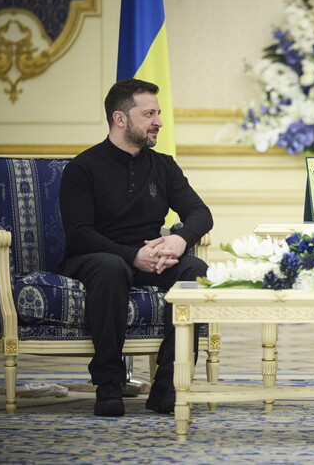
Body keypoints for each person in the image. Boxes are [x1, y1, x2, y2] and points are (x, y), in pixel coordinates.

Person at [59, 78, 213, 417]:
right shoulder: (82, 168)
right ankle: (108, 384)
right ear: (120, 118)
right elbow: (79, 233)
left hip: (151, 260)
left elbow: (201, 214)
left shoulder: (163, 166)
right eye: (149, 114)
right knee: (111, 267)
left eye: (158, 113)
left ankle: (169, 385)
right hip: (95, 259)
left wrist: (179, 239)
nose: (159, 122)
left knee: (194, 269)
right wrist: (132, 255)